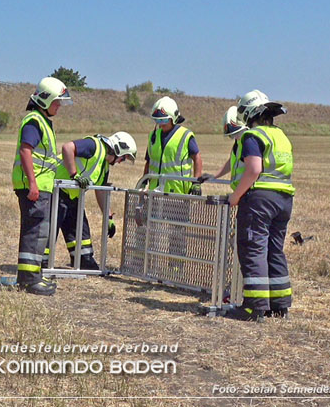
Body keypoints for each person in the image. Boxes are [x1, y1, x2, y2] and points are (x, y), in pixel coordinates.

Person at [225, 90, 295, 321]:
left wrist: (235, 196)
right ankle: (279, 305)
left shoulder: (253, 136)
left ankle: (253, 307)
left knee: (253, 249)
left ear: (248, 114)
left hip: (260, 201)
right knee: (274, 250)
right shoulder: (281, 136)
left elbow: (254, 170)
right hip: (284, 199)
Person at [12, 77, 72, 296]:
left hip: (41, 186)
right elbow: (25, 151)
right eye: (57, 102)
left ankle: (34, 276)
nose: (59, 106)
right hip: (34, 187)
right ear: (45, 100)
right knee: (34, 232)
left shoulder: (43, 122)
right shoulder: (34, 121)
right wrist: (33, 184)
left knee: (40, 232)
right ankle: (29, 280)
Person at [44, 132, 137, 270]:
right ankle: (40, 264)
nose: (120, 162)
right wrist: (75, 175)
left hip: (72, 197)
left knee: (82, 235)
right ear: (118, 149)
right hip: (55, 191)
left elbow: (100, 190)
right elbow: (67, 148)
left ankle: (83, 260)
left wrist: (108, 216)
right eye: (123, 158)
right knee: (48, 231)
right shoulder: (94, 146)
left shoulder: (104, 167)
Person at [142, 96, 203, 193]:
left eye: (163, 120)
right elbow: (149, 162)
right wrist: (143, 180)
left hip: (178, 193)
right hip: (154, 192)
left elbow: (197, 158)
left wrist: (196, 182)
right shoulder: (153, 136)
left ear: (173, 118)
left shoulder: (185, 136)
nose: (160, 124)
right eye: (157, 120)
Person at [199, 106, 249, 184]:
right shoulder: (238, 144)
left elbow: (254, 171)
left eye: (237, 134)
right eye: (231, 136)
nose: (235, 137)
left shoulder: (251, 144)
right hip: (240, 191)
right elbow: (231, 163)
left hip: (248, 192)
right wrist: (214, 176)